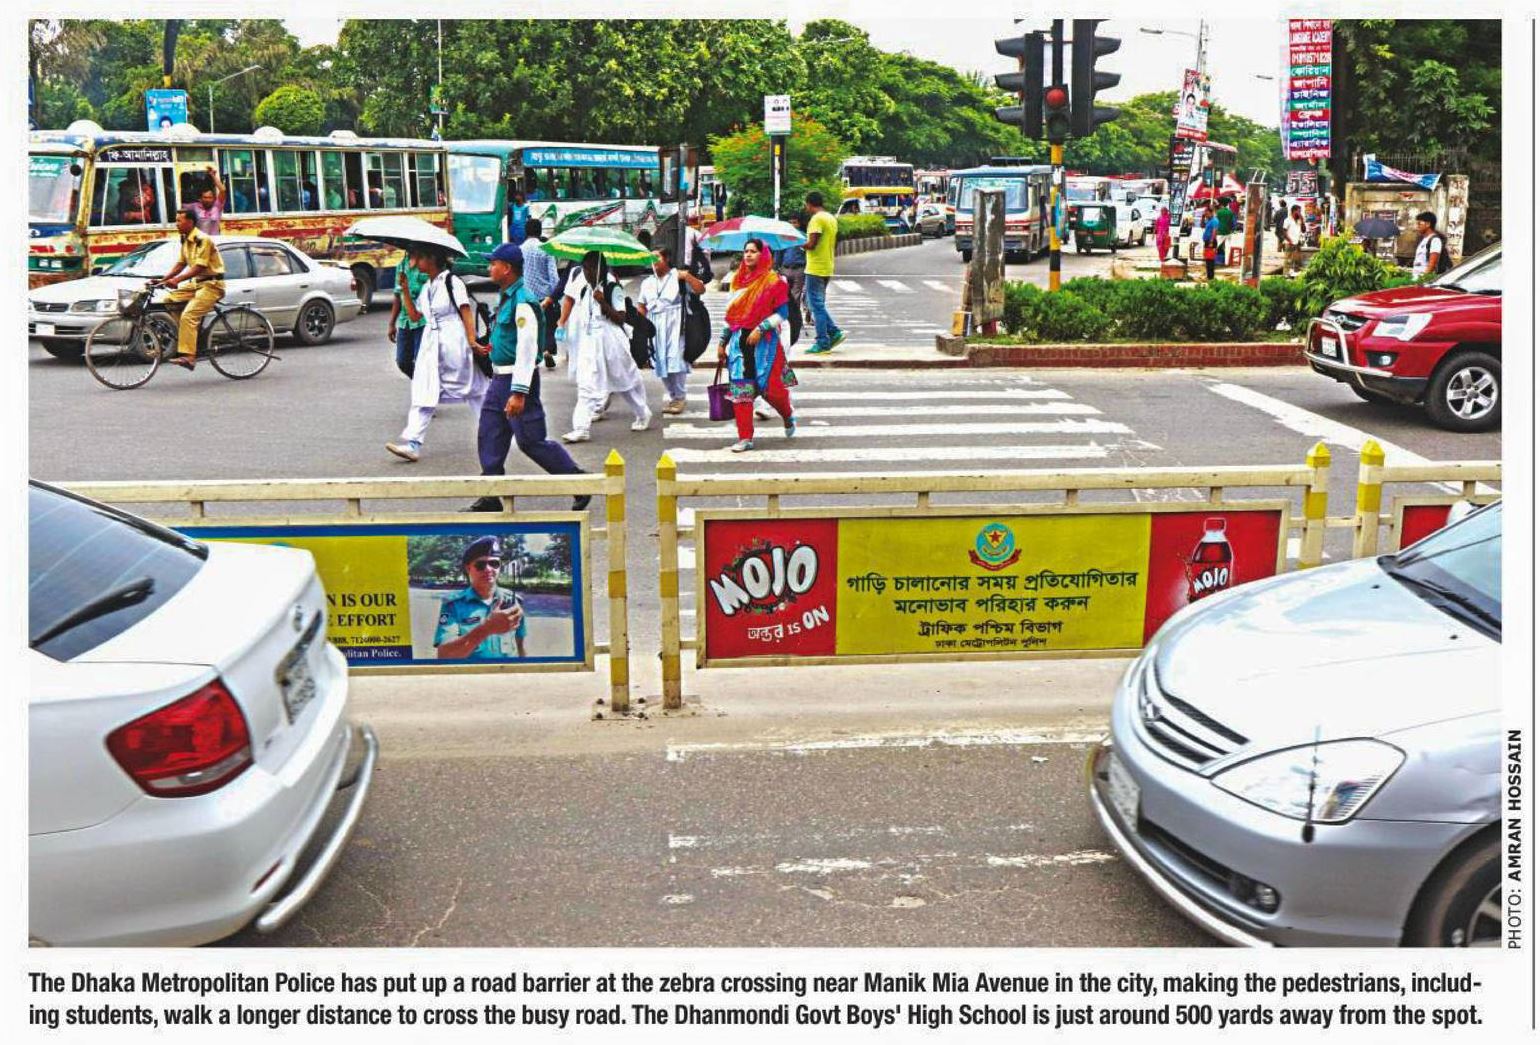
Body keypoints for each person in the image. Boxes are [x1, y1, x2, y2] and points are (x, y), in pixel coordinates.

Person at [466, 243, 591, 513]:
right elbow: (510, 338)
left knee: (530, 440)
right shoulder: (508, 296)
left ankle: (577, 480)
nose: (489, 268)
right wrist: (493, 348)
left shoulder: (523, 300)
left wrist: (519, 392)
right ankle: (491, 493)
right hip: (500, 379)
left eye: (493, 264)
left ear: (507, 268)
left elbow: (526, 347)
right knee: (490, 432)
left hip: (516, 380)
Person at [386, 246, 488, 462]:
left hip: (454, 341)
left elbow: (466, 312)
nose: (416, 263)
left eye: (420, 257)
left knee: (475, 390)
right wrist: (404, 290)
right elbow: (415, 316)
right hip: (431, 344)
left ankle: (496, 431)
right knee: (424, 389)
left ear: (432, 259)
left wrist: (472, 341)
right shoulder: (427, 287)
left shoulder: (452, 282)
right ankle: (413, 443)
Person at [557, 250, 651, 443]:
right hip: (591, 341)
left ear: (599, 269)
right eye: (584, 268)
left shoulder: (612, 288)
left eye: (590, 268)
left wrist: (602, 302)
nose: (587, 272)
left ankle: (642, 412)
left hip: (611, 340)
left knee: (625, 379)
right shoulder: (585, 289)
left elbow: (620, 318)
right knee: (586, 384)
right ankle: (581, 427)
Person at [717, 238, 796, 453]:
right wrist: (722, 342)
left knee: (772, 391)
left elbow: (782, 313)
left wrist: (761, 328)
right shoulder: (736, 280)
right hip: (739, 342)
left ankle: (787, 415)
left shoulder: (774, 281)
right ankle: (745, 437)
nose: (748, 255)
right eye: (746, 251)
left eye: (753, 251)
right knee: (741, 391)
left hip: (765, 344)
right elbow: (731, 314)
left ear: (763, 254)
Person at [152, 206, 226, 371]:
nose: (176, 224)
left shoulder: (203, 239)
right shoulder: (185, 240)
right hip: (197, 284)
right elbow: (180, 264)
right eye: (176, 221)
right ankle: (191, 336)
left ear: (190, 222)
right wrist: (162, 280)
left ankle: (189, 357)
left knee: (188, 316)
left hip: (212, 285)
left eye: (179, 221)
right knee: (170, 300)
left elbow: (199, 266)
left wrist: (177, 280)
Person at [637, 245, 706, 415]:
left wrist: (688, 277)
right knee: (660, 362)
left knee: (677, 361)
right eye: (651, 258)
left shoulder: (678, 276)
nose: (654, 262)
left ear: (666, 258)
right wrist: (640, 327)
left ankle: (680, 397)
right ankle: (673, 396)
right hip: (655, 326)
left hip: (676, 326)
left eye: (657, 257)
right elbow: (642, 305)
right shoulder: (647, 282)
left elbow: (700, 289)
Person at [433, 536, 527, 660]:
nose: (488, 569)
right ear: (468, 568)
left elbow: (520, 645)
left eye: (494, 563)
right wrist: (486, 629)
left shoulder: (513, 601)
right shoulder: (453, 605)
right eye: (480, 565)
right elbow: (444, 656)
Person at [802, 191, 844, 355]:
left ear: (809, 204)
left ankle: (823, 342)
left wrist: (797, 243)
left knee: (816, 306)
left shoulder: (816, 219)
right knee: (815, 304)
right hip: (827, 265)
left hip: (815, 267)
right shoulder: (830, 218)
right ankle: (833, 332)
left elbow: (812, 244)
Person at [519, 218, 560, 369]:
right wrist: (554, 297)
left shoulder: (520, 250)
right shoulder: (546, 250)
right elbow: (554, 277)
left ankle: (531, 355)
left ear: (526, 232)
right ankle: (547, 350)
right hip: (545, 297)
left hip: (526, 297)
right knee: (548, 326)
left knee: (529, 326)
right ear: (540, 231)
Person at [387, 258, 429, 378]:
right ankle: (421, 382)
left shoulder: (425, 264)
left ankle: (424, 384)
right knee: (402, 361)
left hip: (422, 321)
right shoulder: (401, 265)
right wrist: (392, 323)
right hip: (405, 321)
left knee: (421, 360)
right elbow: (397, 295)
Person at [189, 165, 226, 235]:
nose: (207, 200)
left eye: (210, 197)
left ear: (213, 198)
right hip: (200, 240)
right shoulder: (194, 207)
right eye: (205, 197)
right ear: (200, 199)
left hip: (215, 240)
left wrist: (213, 176)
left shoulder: (217, 206)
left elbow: (223, 190)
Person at [1411, 211, 1446, 277]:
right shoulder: (1424, 239)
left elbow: (1432, 264)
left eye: (1419, 224)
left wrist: (1424, 278)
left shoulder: (1435, 240)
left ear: (1428, 224)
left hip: (1423, 279)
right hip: (1416, 277)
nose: (1417, 226)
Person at [1282, 205, 1305, 274]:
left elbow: (1303, 230)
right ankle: (1286, 274)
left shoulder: (1299, 220)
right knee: (1288, 260)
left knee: (1297, 260)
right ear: (1293, 211)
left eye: (1300, 211)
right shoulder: (1287, 220)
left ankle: (1296, 274)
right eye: (1298, 211)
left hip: (1297, 242)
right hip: (1289, 243)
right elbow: (1284, 232)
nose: (1300, 213)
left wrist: (1302, 221)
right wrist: (1290, 241)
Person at [1201, 204, 1220, 281]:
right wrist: (1203, 218)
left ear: (1211, 212)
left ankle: (1211, 277)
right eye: (1205, 214)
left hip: (1211, 241)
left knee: (1210, 260)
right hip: (1207, 241)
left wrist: (1211, 241)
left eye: (1207, 213)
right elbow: (1202, 226)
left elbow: (1214, 231)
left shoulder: (1215, 220)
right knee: (1207, 259)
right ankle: (1209, 276)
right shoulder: (1208, 220)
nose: (1206, 215)